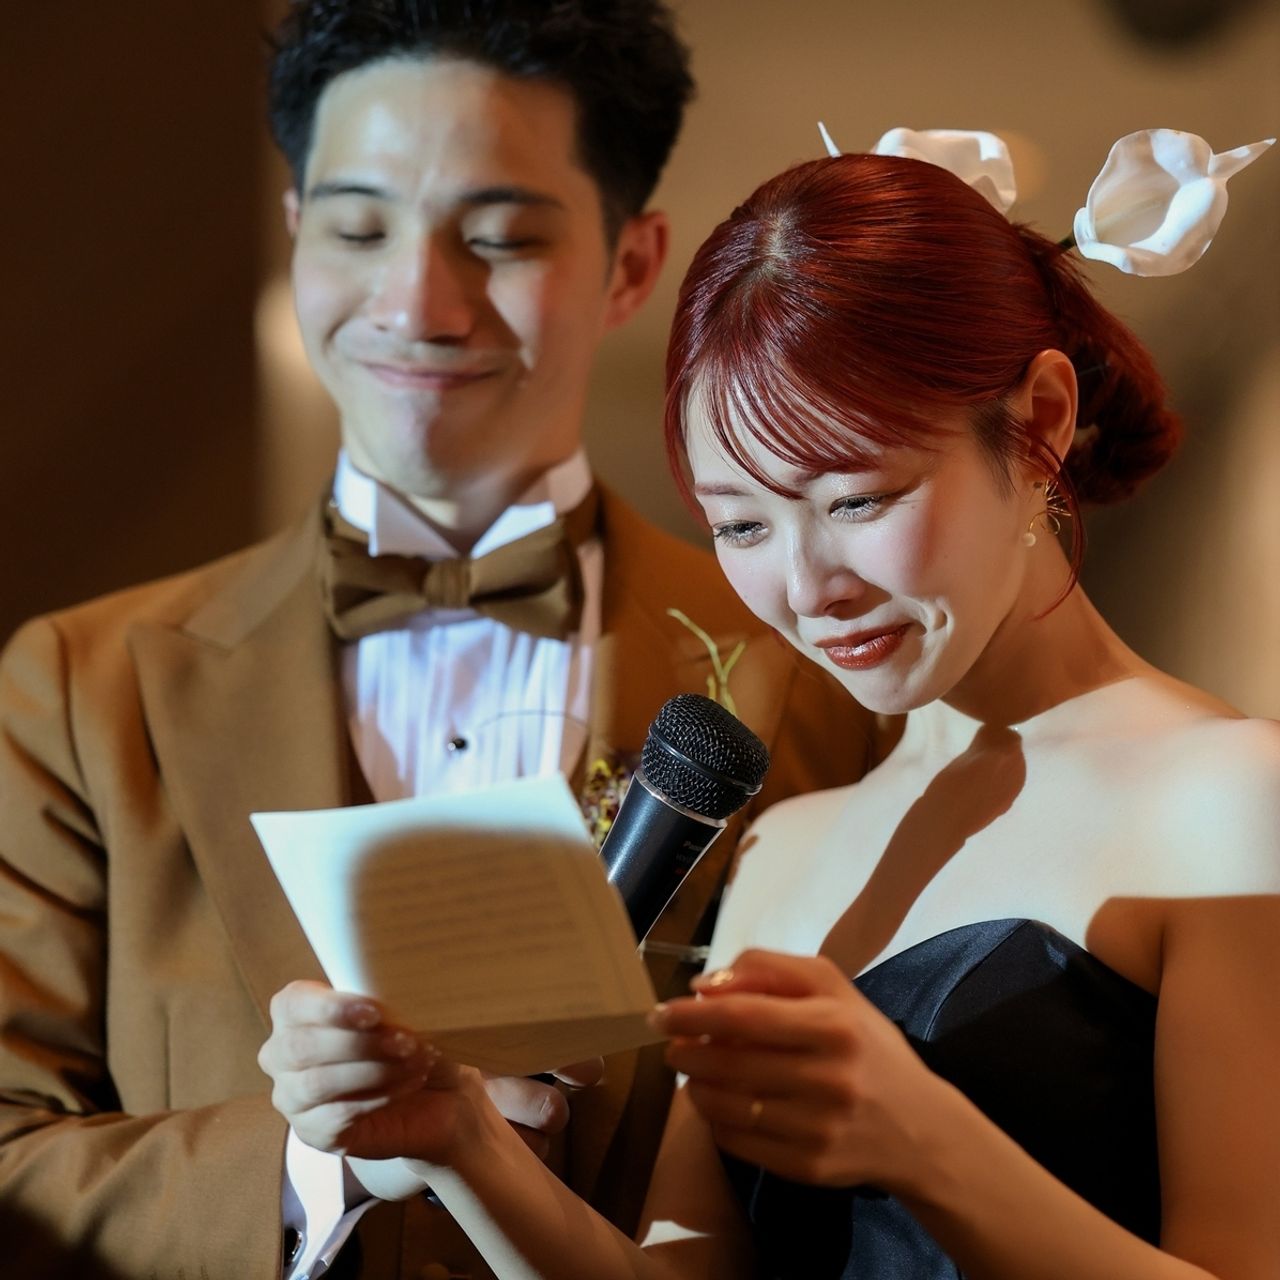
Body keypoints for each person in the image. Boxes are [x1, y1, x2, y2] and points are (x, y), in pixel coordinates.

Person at [259, 132, 1280, 1278]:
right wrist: (460, 1140)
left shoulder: (1234, 793)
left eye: (856, 498)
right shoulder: (783, 844)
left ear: (1039, 420)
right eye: (740, 523)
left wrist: (927, 1144)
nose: (806, 586)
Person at [0, 4, 884, 1278]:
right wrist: (322, 1163)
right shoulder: (82, 689)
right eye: (359, 229)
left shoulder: (814, 673)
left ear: (631, 264)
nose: (417, 303)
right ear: (297, 231)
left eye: (500, 237)